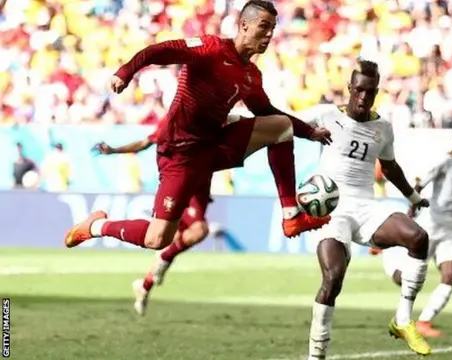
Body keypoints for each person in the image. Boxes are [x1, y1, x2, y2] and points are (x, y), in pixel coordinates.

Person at [63, 0, 333, 252]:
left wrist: (310, 132)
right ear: (244, 25)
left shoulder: (251, 75)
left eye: (273, 29)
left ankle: (291, 216)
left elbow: (267, 112)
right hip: (180, 154)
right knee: (157, 239)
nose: (269, 35)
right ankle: (96, 226)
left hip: (214, 145)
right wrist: (125, 72)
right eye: (264, 26)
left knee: (281, 126)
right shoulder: (211, 48)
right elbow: (160, 50)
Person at [300, 60, 432, 359]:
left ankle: (402, 320)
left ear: (376, 93)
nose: (363, 97)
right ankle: (316, 355)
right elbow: (285, 121)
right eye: (359, 90)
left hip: (365, 207)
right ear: (349, 89)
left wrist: (412, 197)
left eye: (370, 92)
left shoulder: (382, 127)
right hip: (332, 209)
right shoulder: (326, 114)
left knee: (418, 237)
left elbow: (389, 166)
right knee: (333, 278)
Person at [94, 122, 211, 316]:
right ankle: (162, 259)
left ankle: (145, 285)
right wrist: (114, 150)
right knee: (198, 230)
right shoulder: (174, 121)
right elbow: (144, 142)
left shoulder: (214, 114)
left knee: (179, 237)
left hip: (200, 185)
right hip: (182, 182)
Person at [378, 115, 452, 338]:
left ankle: (424, 321)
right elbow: (421, 182)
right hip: (432, 224)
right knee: (405, 279)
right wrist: (413, 205)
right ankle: (387, 253)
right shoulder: (445, 162)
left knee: (451, 275)